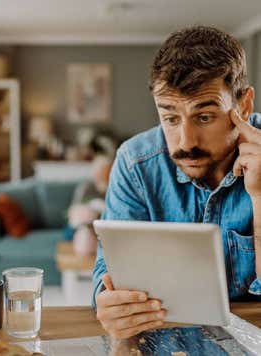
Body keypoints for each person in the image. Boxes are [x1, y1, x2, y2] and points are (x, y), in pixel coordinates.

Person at [93, 26, 261, 340]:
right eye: (170, 118)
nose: (185, 141)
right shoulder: (135, 164)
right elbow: (106, 278)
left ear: (244, 105)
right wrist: (111, 304)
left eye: (205, 116)